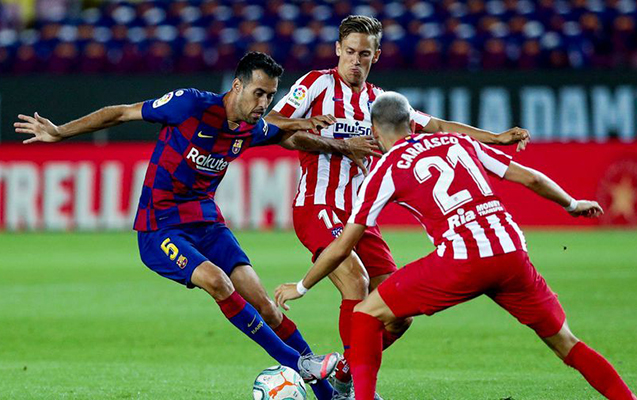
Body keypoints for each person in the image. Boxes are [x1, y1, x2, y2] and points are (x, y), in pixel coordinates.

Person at [13, 52, 380, 400]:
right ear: (237, 86)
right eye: (258, 93)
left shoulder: (250, 128)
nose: (264, 103)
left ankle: (328, 393)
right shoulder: (189, 105)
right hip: (160, 227)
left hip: (207, 223)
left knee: (267, 307)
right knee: (216, 281)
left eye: (270, 95)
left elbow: (281, 131)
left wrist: (334, 141)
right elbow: (121, 113)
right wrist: (60, 132)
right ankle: (297, 363)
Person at [274, 92, 636, 400]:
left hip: (463, 258)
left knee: (367, 314)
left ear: (374, 131)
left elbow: (343, 245)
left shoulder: (386, 167)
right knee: (567, 343)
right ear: (411, 124)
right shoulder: (458, 142)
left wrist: (302, 286)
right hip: (512, 252)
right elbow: (530, 177)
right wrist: (572, 204)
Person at [265, 14, 530, 396]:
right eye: (350, 52)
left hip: (361, 218)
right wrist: (333, 142)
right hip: (317, 205)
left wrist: (494, 137)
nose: (356, 61)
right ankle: (358, 388)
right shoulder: (315, 84)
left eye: (364, 54)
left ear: (376, 56)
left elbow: (437, 126)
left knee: (398, 313)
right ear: (338, 49)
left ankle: (344, 372)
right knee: (355, 281)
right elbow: (273, 123)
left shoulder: (380, 101)